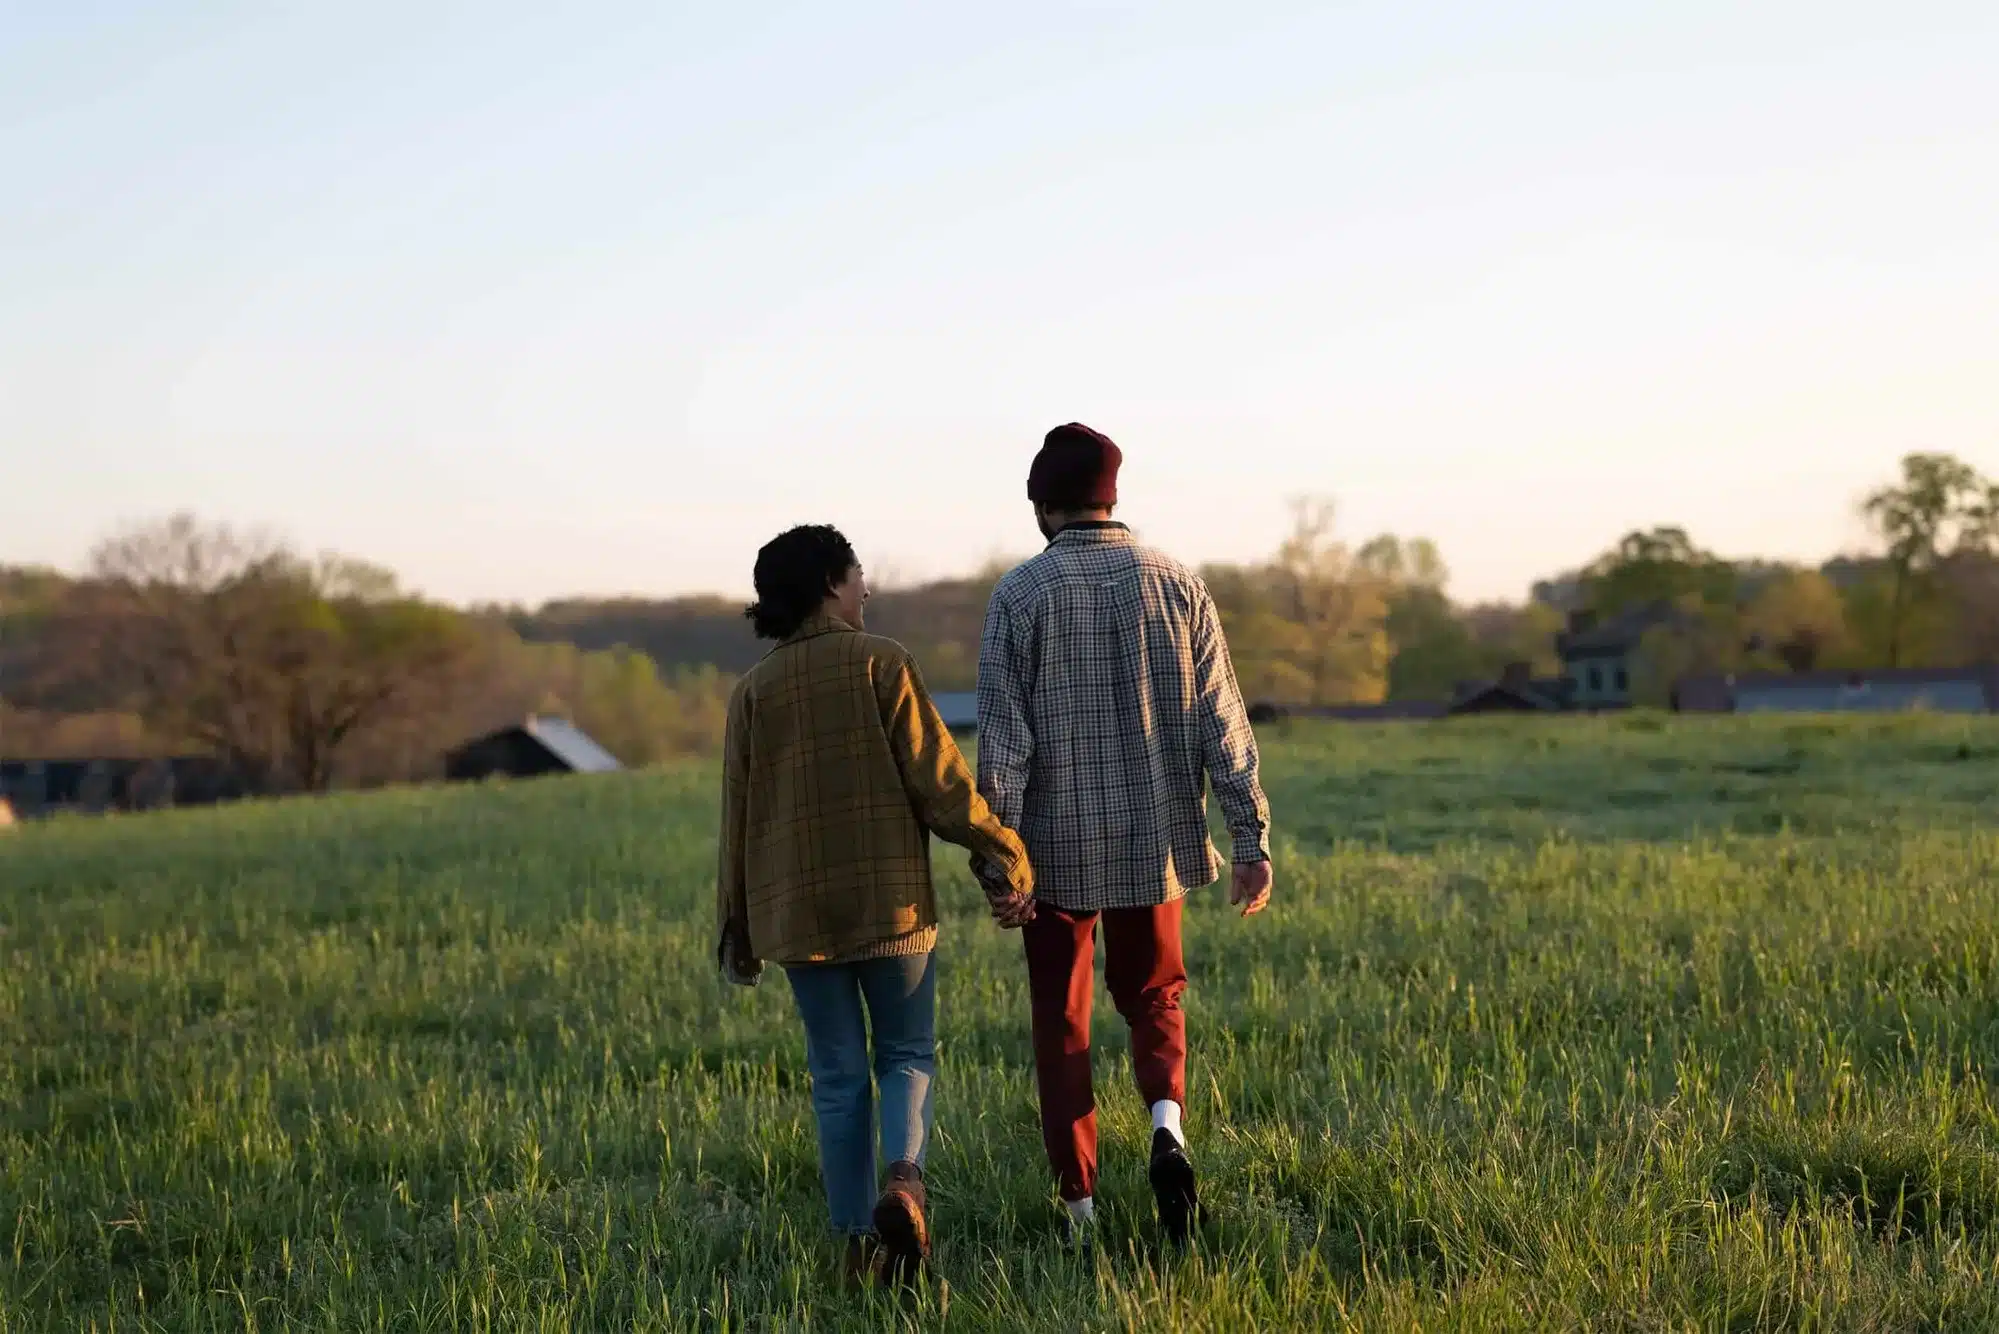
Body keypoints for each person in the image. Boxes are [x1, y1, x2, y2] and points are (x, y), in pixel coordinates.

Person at [971, 424, 1273, 1248]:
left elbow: (1001, 744)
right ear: (1112, 496)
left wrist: (999, 866)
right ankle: (1167, 1128)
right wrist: (1250, 840)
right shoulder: (1179, 585)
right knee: (1155, 998)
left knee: (1061, 1022)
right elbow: (1224, 721)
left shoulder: (1019, 596)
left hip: (1051, 859)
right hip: (1157, 844)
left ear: (1042, 505)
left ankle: (1079, 1211)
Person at [716, 524, 1037, 1292]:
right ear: (832, 582)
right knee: (904, 1054)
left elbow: (738, 819)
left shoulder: (752, 692)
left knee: (835, 1074)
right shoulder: (881, 662)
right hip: (889, 904)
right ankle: (905, 1181)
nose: (868, 588)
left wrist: (737, 926)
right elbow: (941, 785)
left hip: (792, 911)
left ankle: (857, 1241)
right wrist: (1004, 849)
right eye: (858, 575)